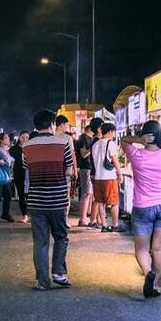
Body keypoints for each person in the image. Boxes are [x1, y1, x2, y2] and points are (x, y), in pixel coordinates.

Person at [121, 121, 161, 297]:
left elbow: (123, 140)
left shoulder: (135, 154)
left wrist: (139, 140)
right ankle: (154, 284)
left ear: (145, 135)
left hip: (142, 207)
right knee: (159, 249)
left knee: (142, 249)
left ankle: (148, 271)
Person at [23, 110, 76, 291]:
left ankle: (42, 281)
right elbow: (68, 169)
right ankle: (58, 273)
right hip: (58, 199)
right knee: (61, 236)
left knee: (40, 241)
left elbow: (27, 168)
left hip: (36, 200)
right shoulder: (63, 143)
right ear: (52, 124)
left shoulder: (27, 146)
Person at [90, 123, 124, 233]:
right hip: (109, 177)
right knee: (114, 202)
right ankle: (115, 225)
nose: (114, 135)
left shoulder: (95, 144)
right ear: (109, 132)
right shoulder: (110, 143)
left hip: (97, 177)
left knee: (100, 202)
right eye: (113, 133)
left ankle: (104, 225)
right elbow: (114, 160)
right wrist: (120, 174)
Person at [75, 118, 103, 227]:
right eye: (101, 127)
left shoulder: (90, 138)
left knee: (89, 194)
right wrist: (94, 146)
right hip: (85, 168)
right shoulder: (84, 138)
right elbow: (83, 154)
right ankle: (82, 219)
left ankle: (86, 217)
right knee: (86, 194)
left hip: (90, 168)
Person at [10, 131, 29, 222]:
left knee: (30, 195)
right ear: (19, 138)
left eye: (27, 137)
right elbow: (11, 162)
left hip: (30, 174)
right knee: (21, 195)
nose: (25, 139)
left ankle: (32, 214)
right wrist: (10, 173)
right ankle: (24, 215)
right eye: (23, 137)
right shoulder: (14, 149)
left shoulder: (31, 148)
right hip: (18, 173)